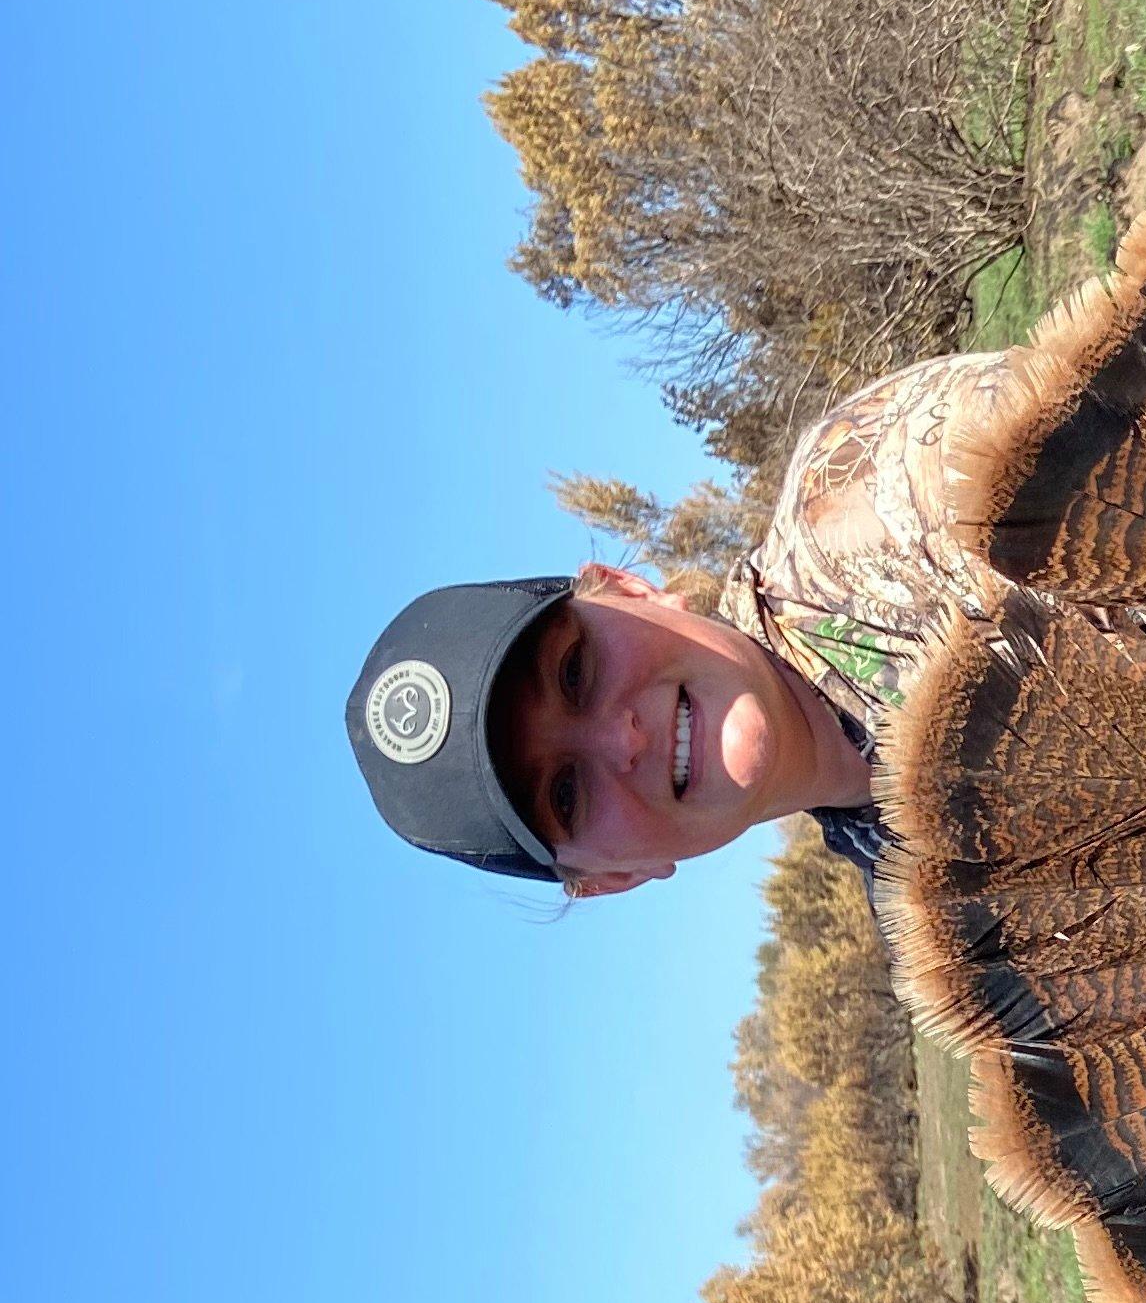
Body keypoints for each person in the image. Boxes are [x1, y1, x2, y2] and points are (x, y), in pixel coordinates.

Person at [345, 350, 1010, 900]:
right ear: (611, 878)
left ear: (630, 587)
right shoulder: (955, 952)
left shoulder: (879, 485)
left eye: (574, 671)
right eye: (566, 794)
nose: (620, 737)